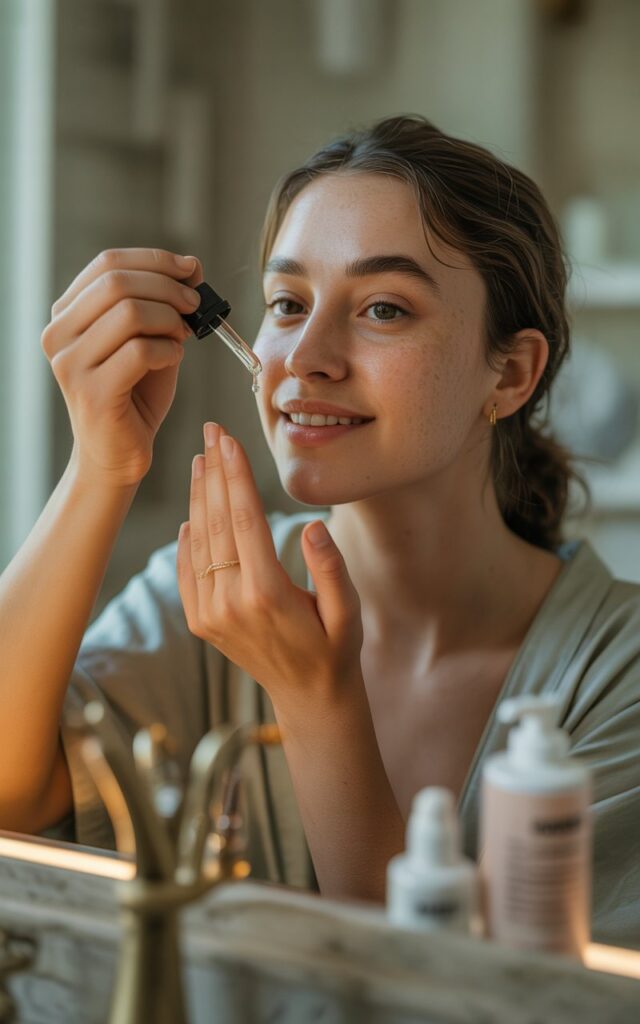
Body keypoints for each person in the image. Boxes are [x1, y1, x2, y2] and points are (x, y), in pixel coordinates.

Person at [1, 115, 639, 949]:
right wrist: (99, 467)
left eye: (382, 308)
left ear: (511, 372)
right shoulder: (209, 592)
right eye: (287, 303)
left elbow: (443, 1000)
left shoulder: (617, 671)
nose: (306, 356)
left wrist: (315, 700)